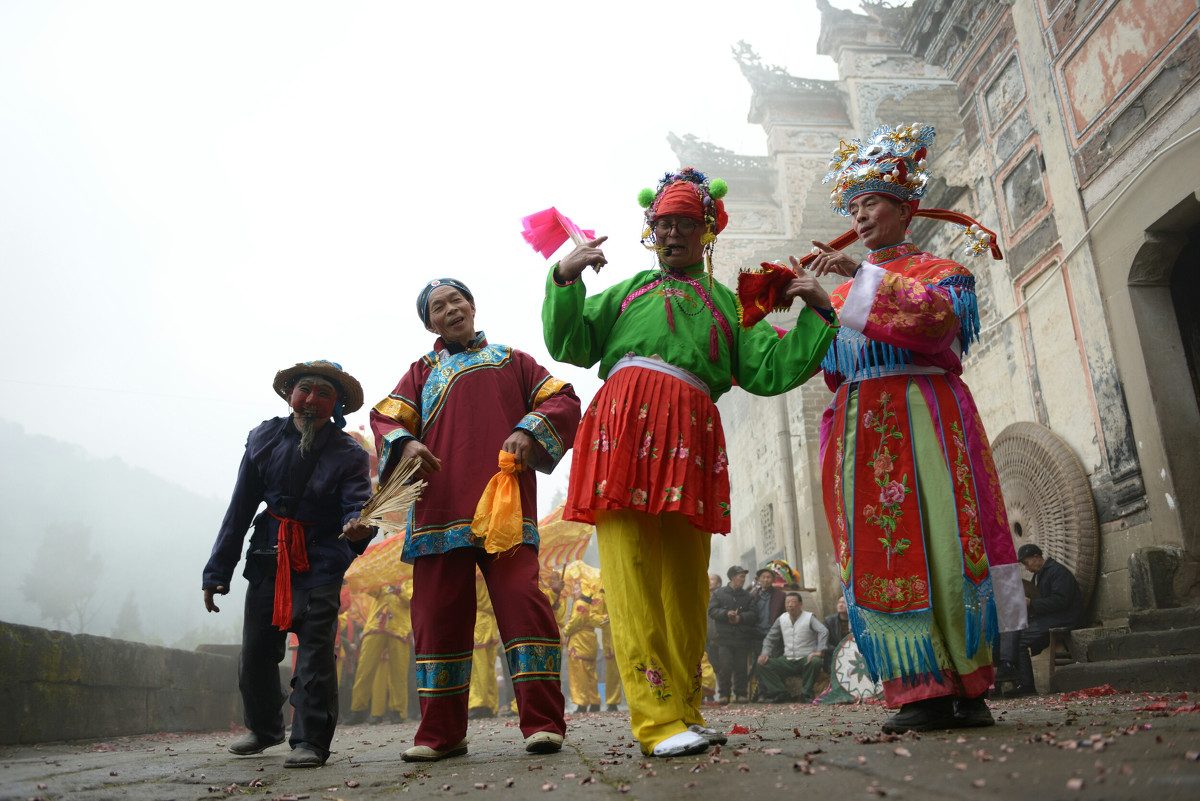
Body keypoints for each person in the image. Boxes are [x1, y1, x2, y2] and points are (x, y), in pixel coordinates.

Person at [542, 167, 837, 757]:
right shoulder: (626, 293)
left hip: (691, 440)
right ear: (652, 232)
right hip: (622, 433)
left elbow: (766, 370)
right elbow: (570, 343)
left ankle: (683, 707)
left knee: (683, 585)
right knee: (630, 581)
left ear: (707, 233)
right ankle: (654, 720)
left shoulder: (728, 305)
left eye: (685, 225)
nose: (672, 234)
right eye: (663, 225)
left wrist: (817, 313)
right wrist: (564, 278)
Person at [806, 124, 1025, 733]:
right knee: (885, 553)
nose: (860, 213)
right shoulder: (844, 290)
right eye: (853, 205)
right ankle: (916, 689)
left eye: (870, 202)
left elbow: (932, 326)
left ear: (904, 209)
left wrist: (857, 278)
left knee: (949, 544)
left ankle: (969, 686)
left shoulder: (943, 271)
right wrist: (810, 306)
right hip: (863, 430)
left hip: (927, 413)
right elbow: (829, 369)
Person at [371, 278, 580, 762]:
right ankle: (440, 735)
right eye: (438, 307)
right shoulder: (421, 373)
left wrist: (531, 429)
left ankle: (543, 724)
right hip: (438, 511)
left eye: (456, 300)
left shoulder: (513, 361)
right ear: (430, 324)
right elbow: (387, 419)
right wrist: (406, 443)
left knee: (524, 603)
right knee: (436, 618)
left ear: (472, 305)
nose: (451, 309)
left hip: (503, 506)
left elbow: (563, 399)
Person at [202, 360, 377, 768]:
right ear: (289, 395)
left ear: (336, 405)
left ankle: (311, 741)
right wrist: (217, 572)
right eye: (305, 389)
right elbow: (240, 508)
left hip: (320, 560)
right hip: (268, 556)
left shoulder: (349, 453)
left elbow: (358, 505)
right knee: (258, 651)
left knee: (315, 652)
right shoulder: (262, 438)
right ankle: (264, 729)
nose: (311, 400)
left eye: (323, 394)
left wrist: (358, 526)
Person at [997, 544, 1086, 696]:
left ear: (1036, 557)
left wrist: (1032, 603)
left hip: (1065, 617)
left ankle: (1027, 685)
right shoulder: (1040, 575)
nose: (1027, 567)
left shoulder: (1057, 572)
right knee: (1016, 630)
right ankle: (1014, 674)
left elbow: (1061, 601)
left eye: (1027, 563)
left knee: (1022, 640)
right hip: (1051, 617)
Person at [348, 582, 413, 724]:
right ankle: (358, 710)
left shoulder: (411, 578)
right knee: (364, 669)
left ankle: (397, 711)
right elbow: (371, 590)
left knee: (399, 672)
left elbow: (411, 600)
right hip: (375, 625)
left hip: (400, 628)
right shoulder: (383, 575)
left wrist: (397, 589)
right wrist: (381, 582)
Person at [756, 593, 829, 703]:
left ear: (800, 604)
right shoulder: (782, 619)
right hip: (788, 660)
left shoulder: (809, 617)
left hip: (805, 658)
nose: (790, 605)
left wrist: (819, 651)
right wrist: (765, 653)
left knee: (815, 661)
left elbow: (823, 631)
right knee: (762, 664)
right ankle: (780, 692)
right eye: (787, 602)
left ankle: (806, 693)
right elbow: (770, 638)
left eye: (793, 602)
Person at [706, 565, 759, 704]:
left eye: (744, 576)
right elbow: (712, 611)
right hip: (724, 638)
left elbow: (754, 615)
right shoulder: (719, 594)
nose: (743, 579)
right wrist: (726, 614)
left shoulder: (748, 596)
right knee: (725, 667)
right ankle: (724, 694)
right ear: (733, 577)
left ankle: (741, 694)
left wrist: (740, 618)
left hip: (742, 638)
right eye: (741, 576)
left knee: (741, 667)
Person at [562, 586, 603, 713]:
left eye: (577, 589)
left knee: (579, 675)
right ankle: (595, 702)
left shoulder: (580, 604)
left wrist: (567, 629)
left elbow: (575, 623)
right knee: (591, 674)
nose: (574, 592)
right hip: (590, 641)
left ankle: (582, 703)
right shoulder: (591, 605)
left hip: (579, 642)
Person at [468, 575, 501, 718]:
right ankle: (490, 704)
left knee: (478, 668)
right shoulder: (495, 571)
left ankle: (479, 704)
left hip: (479, 623)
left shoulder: (473, 574)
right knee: (488, 667)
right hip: (490, 623)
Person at [822, 595, 853, 674]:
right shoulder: (829, 621)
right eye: (839, 602)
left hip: (852, 655)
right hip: (834, 655)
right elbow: (825, 643)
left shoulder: (855, 620)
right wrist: (839, 651)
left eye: (844, 603)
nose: (840, 605)